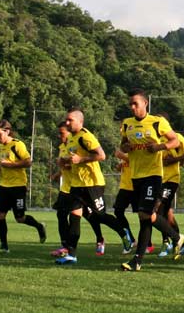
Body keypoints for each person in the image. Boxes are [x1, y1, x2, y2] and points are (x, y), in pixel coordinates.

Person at [120, 89, 184, 271]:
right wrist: (126, 147)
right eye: (130, 104)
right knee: (146, 218)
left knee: (145, 215)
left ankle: (137, 260)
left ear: (145, 103)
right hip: (136, 176)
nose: (132, 107)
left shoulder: (157, 122)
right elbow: (123, 146)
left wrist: (158, 147)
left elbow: (175, 142)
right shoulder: (127, 124)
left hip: (153, 175)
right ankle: (175, 237)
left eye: (136, 104)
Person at [56, 108, 132, 265]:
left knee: (100, 216)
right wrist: (65, 161)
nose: (67, 122)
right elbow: (74, 159)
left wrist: (80, 159)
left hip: (92, 184)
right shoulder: (71, 138)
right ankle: (72, 254)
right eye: (67, 120)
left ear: (80, 121)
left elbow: (101, 155)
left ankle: (125, 234)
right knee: (74, 217)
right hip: (77, 185)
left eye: (70, 120)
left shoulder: (85, 136)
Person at [50, 121, 109, 257]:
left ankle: (101, 239)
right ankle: (66, 246)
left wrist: (72, 162)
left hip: (82, 185)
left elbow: (80, 162)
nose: (60, 136)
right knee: (62, 215)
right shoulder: (62, 147)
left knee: (92, 215)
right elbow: (67, 166)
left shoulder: (79, 142)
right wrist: (58, 173)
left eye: (62, 133)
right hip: (67, 187)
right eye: (59, 133)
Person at [0, 120, 46, 254]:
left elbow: (28, 162)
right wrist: (0, 169)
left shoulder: (17, 145)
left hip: (18, 187)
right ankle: (4, 247)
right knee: (0, 215)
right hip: (3, 186)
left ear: (7, 131)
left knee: (20, 218)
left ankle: (39, 226)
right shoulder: (2, 147)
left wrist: (10, 165)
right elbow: (5, 162)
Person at [157, 112, 184, 258]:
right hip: (156, 179)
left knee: (159, 210)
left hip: (171, 179)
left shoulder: (177, 138)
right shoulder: (154, 138)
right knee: (167, 213)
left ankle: (167, 242)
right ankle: (180, 242)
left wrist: (176, 159)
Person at [112, 149, 138, 254]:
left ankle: (148, 243)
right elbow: (124, 166)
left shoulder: (138, 151)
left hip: (136, 187)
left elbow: (137, 162)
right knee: (118, 211)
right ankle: (131, 239)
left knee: (144, 215)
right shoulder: (126, 153)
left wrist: (122, 156)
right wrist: (119, 167)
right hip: (124, 187)